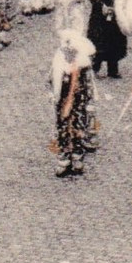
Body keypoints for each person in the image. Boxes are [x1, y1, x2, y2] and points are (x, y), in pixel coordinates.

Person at [50, 30, 97, 178]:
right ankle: (64, 157)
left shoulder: (83, 66)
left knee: (78, 126)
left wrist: (91, 100)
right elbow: (51, 80)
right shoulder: (58, 63)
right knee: (62, 127)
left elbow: (90, 84)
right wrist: (53, 94)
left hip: (79, 101)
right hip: (62, 102)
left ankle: (77, 156)